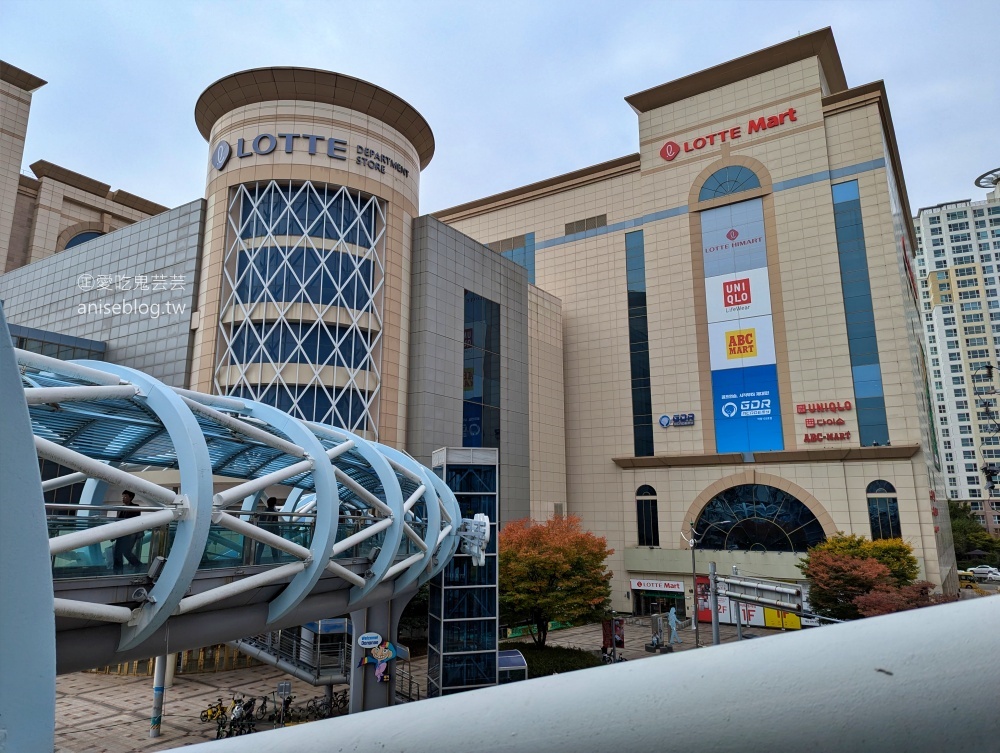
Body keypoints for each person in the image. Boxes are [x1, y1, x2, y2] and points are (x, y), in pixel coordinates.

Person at [112, 490, 143, 574]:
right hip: (121, 534)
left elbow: (135, 521)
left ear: (131, 498)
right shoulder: (120, 509)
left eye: (125, 496)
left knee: (125, 551)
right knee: (117, 551)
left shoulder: (135, 507)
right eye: (122, 496)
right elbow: (117, 522)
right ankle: (118, 570)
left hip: (130, 534)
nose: (123, 498)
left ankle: (137, 565)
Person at [255, 497, 281, 565]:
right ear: (274, 503)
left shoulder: (264, 512)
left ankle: (257, 562)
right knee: (274, 548)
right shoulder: (274, 513)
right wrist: (278, 533)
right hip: (271, 533)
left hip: (263, 532)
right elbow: (275, 524)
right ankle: (276, 562)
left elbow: (260, 522)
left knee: (260, 548)